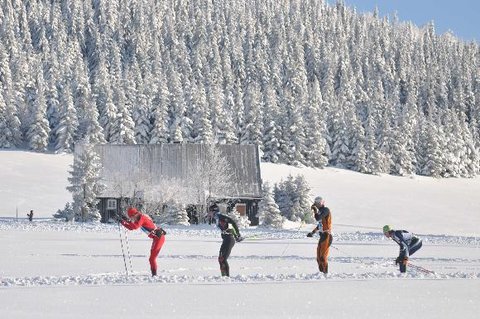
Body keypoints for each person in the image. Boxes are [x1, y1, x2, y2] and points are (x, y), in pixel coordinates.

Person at [114, 207, 166, 277]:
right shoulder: (138, 218)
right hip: (156, 238)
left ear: (134, 214)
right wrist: (124, 220)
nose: (132, 219)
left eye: (132, 217)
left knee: (152, 258)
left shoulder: (142, 217)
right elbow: (131, 226)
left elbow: (134, 227)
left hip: (159, 238)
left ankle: (154, 276)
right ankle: (154, 275)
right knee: (151, 258)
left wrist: (123, 221)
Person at [208, 203, 244, 277]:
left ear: (214, 211)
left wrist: (238, 235)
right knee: (220, 259)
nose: (209, 213)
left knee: (223, 259)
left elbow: (232, 222)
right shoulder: (216, 218)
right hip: (226, 239)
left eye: (210, 211)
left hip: (229, 239)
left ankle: (226, 278)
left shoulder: (220, 216)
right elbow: (227, 226)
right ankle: (224, 277)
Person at [306, 196, 332, 274]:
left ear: (321, 203)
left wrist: (315, 211)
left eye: (318, 203)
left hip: (327, 235)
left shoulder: (326, 210)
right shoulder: (320, 212)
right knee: (318, 258)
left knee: (322, 257)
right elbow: (320, 224)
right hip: (322, 236)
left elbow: (317, 218)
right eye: (316, 203)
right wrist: (312, 232)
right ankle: (321, 275)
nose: (316, 204)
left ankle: (326, 274)